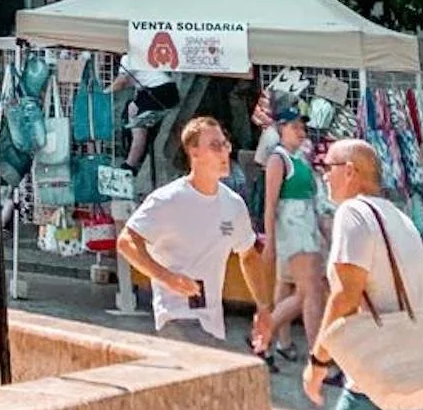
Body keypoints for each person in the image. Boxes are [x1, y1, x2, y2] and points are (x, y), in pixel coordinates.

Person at [305, 137, 423, 410]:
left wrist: (318, 361)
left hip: (381, 379)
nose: (324, 175)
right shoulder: (399, 217)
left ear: (349, 171)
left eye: (328, 167)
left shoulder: (352, 213)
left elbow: (345, 296)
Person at [117, 115, 257, 346]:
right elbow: (126, 242)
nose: (224, 152)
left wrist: (264, 309)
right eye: (214, 146)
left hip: (213, 323)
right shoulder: (168, 199)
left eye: (225, 144)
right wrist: (167, 278)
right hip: (177, 318)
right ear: (194, 152)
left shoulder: (233, 203)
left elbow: (249, 255)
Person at [255, 97, 326, 365]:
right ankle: (318, 356)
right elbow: (271, 203)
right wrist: (271, 241)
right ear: (281, 128)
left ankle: (269, 338)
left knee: (291, 290)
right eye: (294, 126)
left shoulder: (301, 159)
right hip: (291, 229)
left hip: (305, 227)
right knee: (309, 291)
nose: (300, 131)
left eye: (301, 126)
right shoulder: (278, 159)